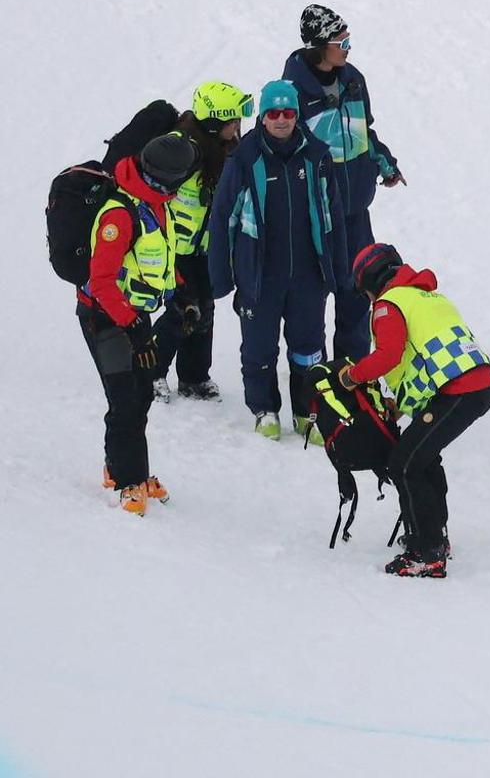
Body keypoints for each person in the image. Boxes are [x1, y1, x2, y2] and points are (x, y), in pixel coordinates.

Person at [320, 243, 490, 578]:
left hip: (459, 391)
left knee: (404, 463)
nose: (368, 300)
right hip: (474, 386)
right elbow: (426, 360)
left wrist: (350, 376)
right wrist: (399, 406)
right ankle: (435, 537)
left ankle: (426, 551)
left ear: (370, 282)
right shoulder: (427, 297)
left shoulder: (390, 305)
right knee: (423, 456)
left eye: (364, 292)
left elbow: (389, 356)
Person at [208, 81, 350, 442]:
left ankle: (309, 412)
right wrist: (221, 276)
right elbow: (223, 218)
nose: (282, 120)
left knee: (309, 347)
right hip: (259, 275)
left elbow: (332, 214)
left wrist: (339, 267)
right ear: (263, 117)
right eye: (274, 113)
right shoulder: (244, 159)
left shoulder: (317, 156)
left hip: (307, 273)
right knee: (259, 348)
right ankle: (264, 409)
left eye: (288, 113)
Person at [79, 134, 197, 516]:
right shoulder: (119, 214)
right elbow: (101, 281)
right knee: (125, 398)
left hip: (133, 314)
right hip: (105, 316)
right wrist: (133, 327)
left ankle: (124, 469)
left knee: (142, 393)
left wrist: (181, 296)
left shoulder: (156, 204)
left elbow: (158, 258)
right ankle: (129, 481)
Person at [281, 4, 401, 361]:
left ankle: (353, 372)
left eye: (349, 40)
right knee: (312, 299)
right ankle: (314, 379)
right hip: (315, 218)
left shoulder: (353, 79)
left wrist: (383, 162)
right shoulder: (290, 93)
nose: (348, 48)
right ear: (319, 44)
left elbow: (364, 132)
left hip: (355, 214)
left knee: (359, 292)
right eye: (341, 41)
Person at [147, 81, 253, 404]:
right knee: (183, 309)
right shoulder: (183, 149)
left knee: (205, 307)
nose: (237, 127)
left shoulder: (224, 150)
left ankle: (194, 376)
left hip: (204, 247)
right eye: (232, 120)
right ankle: (150, 371)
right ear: (215, 121)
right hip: (174, 248)